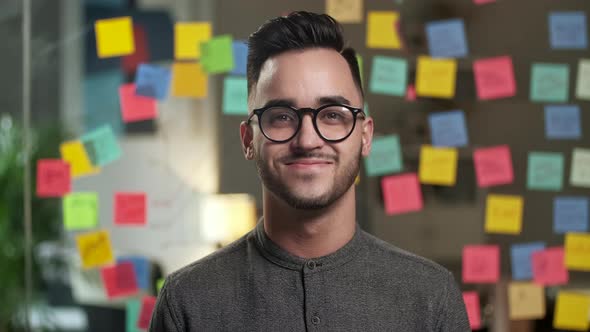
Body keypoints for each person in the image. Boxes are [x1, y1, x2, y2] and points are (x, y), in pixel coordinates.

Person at [150, 11, 470, 331]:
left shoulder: (431, 298)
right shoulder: (186, 303)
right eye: (281, 116)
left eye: (332, 115)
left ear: (365, 136)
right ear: (249, 139)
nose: (307, 139)